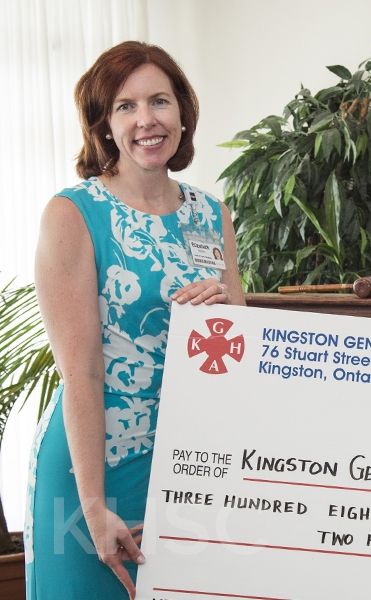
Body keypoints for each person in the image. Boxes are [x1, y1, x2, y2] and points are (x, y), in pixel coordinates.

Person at [27, 41, 244, 599]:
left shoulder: (211, 215)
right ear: (103, 125)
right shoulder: (74, 213)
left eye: (160, 101)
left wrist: (225, 313)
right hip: (91, 468)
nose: (146, 120)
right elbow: (81, 374)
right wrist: (93, 507)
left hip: (185, 463)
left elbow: (239, 345)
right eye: (125, 106)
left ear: (182, 114)